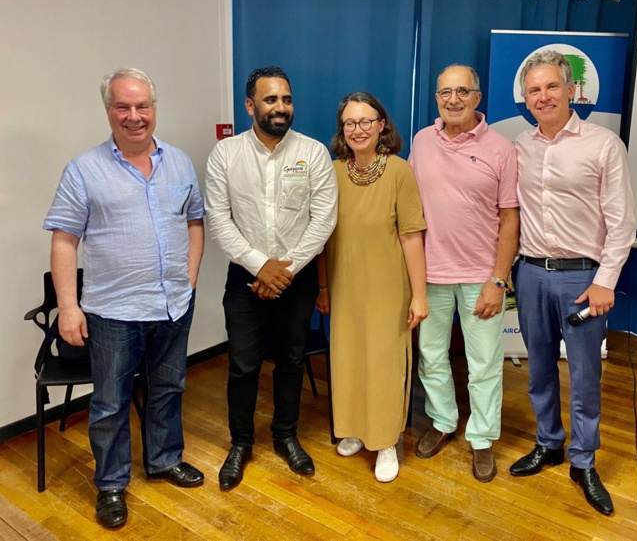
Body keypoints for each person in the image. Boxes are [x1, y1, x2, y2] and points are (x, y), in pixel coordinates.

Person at [43, 67, 205, 529]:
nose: (135, 116)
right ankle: (112, 483)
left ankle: (163, 459)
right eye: (123, 107)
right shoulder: (83, 169)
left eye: (143, 106)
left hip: (173, 303)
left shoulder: (179, 162)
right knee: (111, 402)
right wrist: (69, 307)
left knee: (168, 389)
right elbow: (64, 240)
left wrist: (189, 278)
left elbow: (195, 221)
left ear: (154, 108)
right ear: (109, 111)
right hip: (113, 311)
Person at [509, 50, 636, 515]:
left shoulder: (603, 145)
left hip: (583, 278)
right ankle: (550, 443)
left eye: (551, 87)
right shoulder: (518, 146)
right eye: (534, 89)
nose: (543, 96)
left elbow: (622, 221)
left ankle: (583, 461)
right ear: (525, 97)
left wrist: (606, 281)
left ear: (571, 90)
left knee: (584, 376)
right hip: (530, 273)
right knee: (538, 368)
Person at [205, 66, 338, 490]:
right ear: (250, 105)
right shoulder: (225, 154)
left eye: (286, 99)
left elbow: (324, 220)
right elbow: (218, 219)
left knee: (291, 361)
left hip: (294, 279)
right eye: (270, 99)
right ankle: (240, 443)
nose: (281, 107)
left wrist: (284, 269)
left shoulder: (313, 153)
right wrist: (259, 266)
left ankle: (285, 435)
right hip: (245, 279)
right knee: (243, 365)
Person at [409, 65, 519, 482]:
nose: (452, 100)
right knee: (432, 355)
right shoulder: (421, 141)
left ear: (477, 98)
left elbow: (510, 219)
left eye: (462, 92)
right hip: (430, 273)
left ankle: (483, 438)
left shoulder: (500, 148)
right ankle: (442, 421)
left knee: (484, 362)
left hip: (481, 276)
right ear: (436, 98)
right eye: (444, 93)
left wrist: (498, 279)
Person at [317, 92, 428, 483]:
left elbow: (412, 236)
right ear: (342, 130)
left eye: (366, 121)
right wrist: (323, 287)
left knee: (384, 363)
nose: (358, 129)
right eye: (350, 123)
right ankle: (353, 429)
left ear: (382, 125)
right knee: (347, 359)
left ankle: (384, 441)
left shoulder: (399, 171)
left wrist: (419, 295)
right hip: (345, 284)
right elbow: (321, 239)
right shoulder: (330, 172)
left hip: (388, 288)